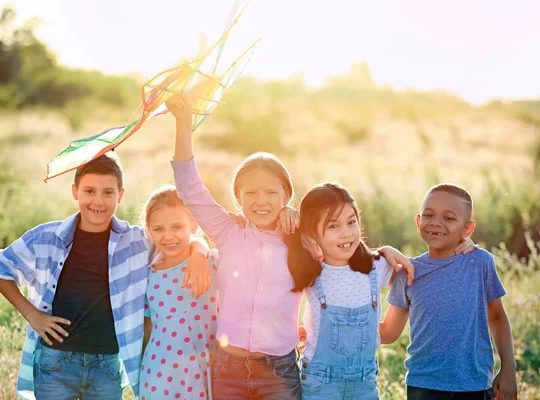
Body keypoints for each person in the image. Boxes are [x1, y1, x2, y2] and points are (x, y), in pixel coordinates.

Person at [166, 93, 412, 399]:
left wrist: (385, 252)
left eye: (271, 192)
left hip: (278, 372)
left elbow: (341, 246)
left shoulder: (304, 241)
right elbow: (190, 189)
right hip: (227, 368)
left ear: (286, 196)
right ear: (238, 196)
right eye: (251, 193)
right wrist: (183, 125)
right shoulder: (228, 232)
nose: (261, 201)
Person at [0, 152, 211, 400]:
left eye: (108, 193)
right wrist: (32, 314)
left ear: (120, 195)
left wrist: (200, 251)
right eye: (89, 191)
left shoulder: (136, 241)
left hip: (107, 365)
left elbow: (178, 240)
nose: (98, 201)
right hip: (56, 362)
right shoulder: (48, 237)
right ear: (75, 192)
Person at [380, 183, 517, 400]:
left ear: (467, 229)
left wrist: (509, 369)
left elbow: (498, 317)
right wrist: (335, 329)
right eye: (428, 215)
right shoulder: (407, 272)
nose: (436, 222)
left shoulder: (480, 263)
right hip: (423, 385)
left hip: (475, 384)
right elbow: (388, 332)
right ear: (418, 222)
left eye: (449, 218)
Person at [284, 182, 416, 399]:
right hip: (320, 386)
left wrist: (385, 250)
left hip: (364, 385)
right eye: (333, 226)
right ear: (312, 234)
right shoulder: (310, 271)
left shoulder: (377, 267)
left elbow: (413, 274)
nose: (346, 233)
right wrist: (286, 213)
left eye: (351, 222)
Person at [139, 185, 219, 400]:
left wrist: (199, 251)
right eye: (158, 229)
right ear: (148, 229)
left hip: (205, 366)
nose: (168, 236)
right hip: (160, 371)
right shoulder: (148, 275)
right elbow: (147, 328)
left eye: (177, 226)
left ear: (192, 223)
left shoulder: (209, 262)